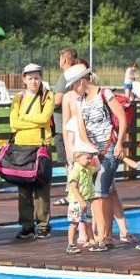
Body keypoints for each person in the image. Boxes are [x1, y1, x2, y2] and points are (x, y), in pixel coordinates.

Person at [68, 63, 126, 252]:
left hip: (109, 147)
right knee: (102, 191)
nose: (73, 89)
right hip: (93, 150)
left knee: (100, 191)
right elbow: (81, 126)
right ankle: (105, 235)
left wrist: (119, 143)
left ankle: (104, 237)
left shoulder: (104, 93)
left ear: (82, 80)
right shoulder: (79, 101)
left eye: (73, 85)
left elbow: (121, 117)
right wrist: (87, 147)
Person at [9, 63, 55, 239]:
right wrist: (34, 121)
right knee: (24, 189)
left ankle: (43, 224)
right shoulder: (18, 98)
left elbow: (45, 118)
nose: (34, 81)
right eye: (30, 78)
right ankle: (27, 225)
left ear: (41, 77)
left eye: (37, 78)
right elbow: (14, 123)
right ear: (24, 79)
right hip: (21, 147)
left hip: (41, 145)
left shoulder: (47, 96)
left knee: (42, 187)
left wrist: (24, 118)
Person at [52, 47, 79, 205]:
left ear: (64, 60)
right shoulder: (77, 74)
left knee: (68, 161)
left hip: (63, 125)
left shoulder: (65, 76)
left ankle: (71, 193)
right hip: (73, 125)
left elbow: (58, 100)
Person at [65, 142, 99, 254]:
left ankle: (93, 243)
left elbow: (98, 167)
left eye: (91, 158)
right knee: (74, 223)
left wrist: (96, 155)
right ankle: (70, 244)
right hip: (77, 202)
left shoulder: (88, 170)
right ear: (77, 157)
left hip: (86, 201)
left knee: (88, 222)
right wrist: (81, 201)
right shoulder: (76, 171)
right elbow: (73, 187)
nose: (90, 160)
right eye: (88, 158)